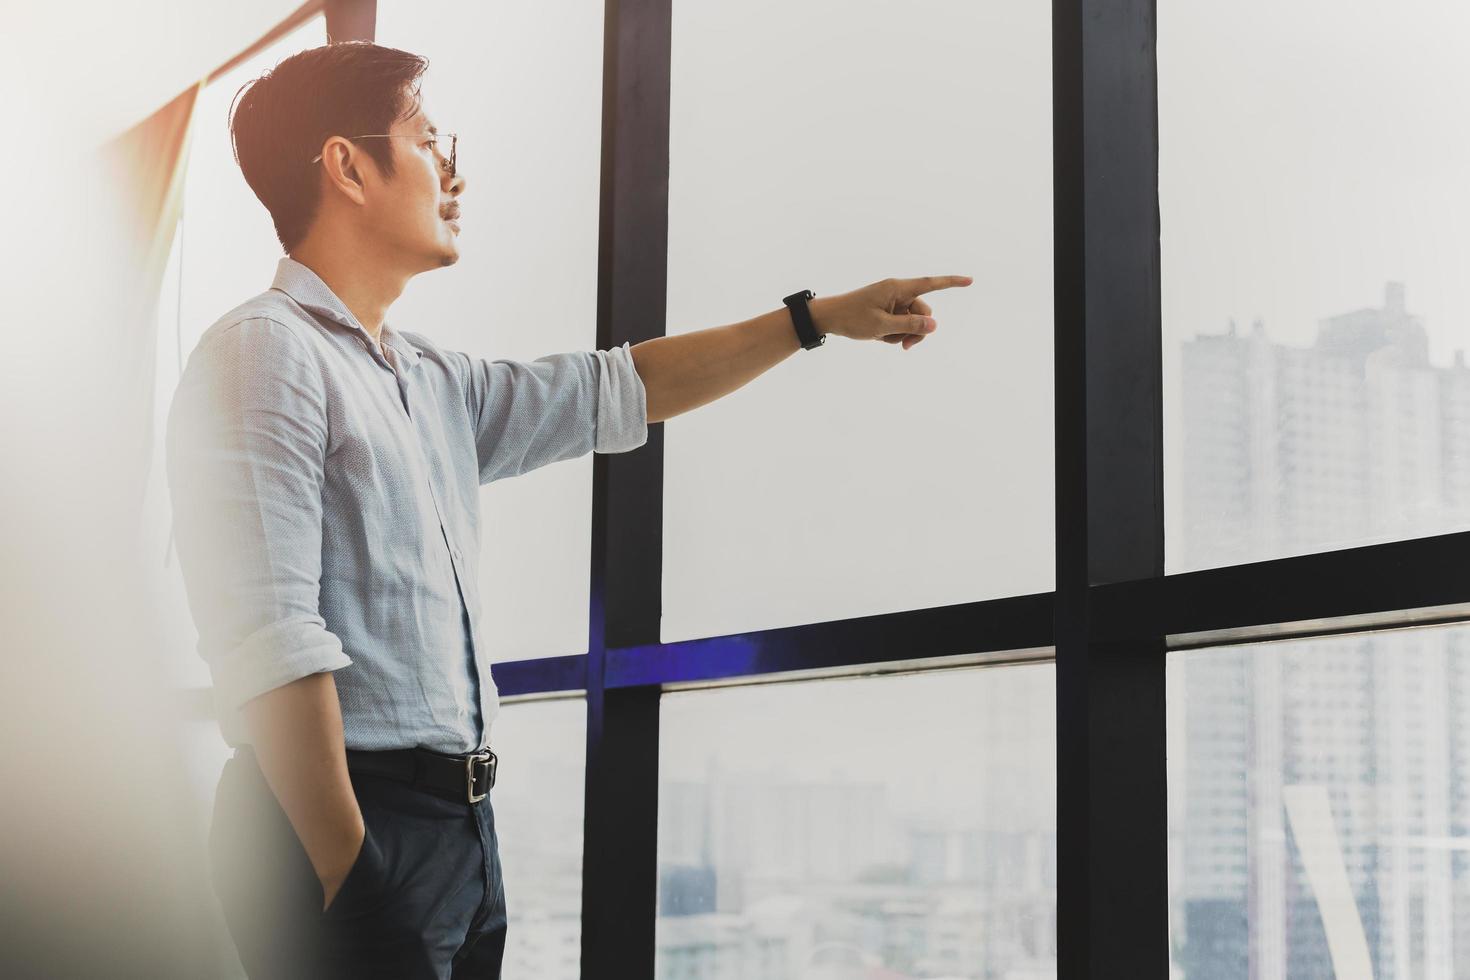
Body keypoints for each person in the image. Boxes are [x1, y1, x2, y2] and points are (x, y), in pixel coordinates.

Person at [165, 38, 970, 980]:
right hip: (343, 829)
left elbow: (620, 388)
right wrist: (351, 867)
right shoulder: (264, 354)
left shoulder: (426, 379)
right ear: (345, 164)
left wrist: (814, 320)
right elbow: (270, 640)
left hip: (458, 828)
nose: (455, 172)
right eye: (428, 141)